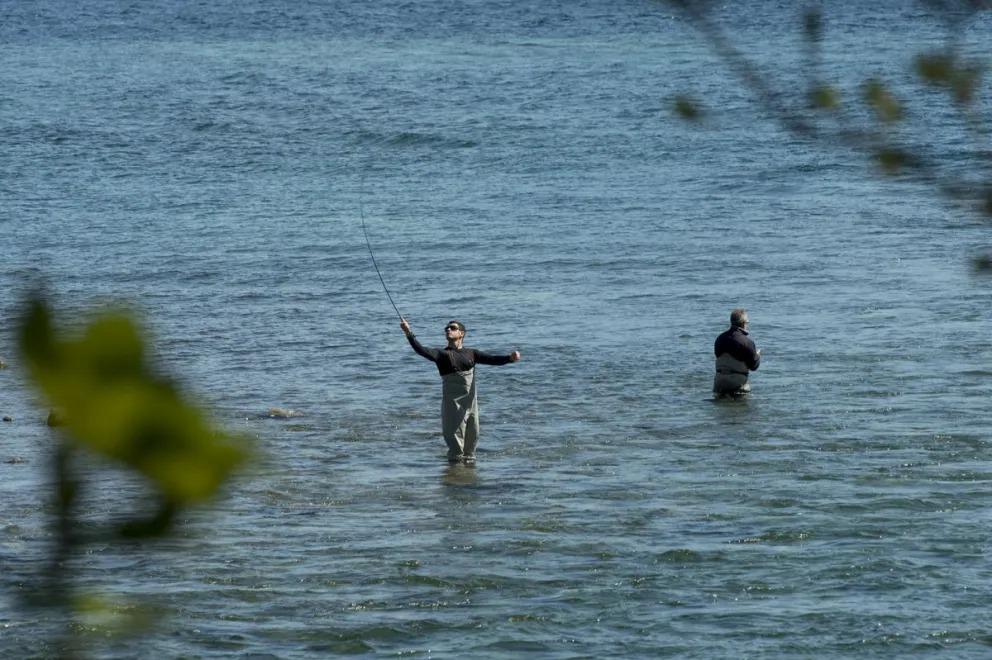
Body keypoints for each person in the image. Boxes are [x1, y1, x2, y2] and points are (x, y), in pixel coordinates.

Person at [400, 318, 521, 464]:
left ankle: (469, 476)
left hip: (471, 404)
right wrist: (408, 332)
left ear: (461, 333)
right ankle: (454, 475)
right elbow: (421, 350)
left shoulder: (472, 354)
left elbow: (492, 359)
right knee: (456, 444)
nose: (448, 330)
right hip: (453, 405)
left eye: (452, 327)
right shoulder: (441, 355)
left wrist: (510, 358)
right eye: (446, 328)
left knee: (471, 442)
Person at [713, 308, 761, 397]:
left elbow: (718, 356)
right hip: (736, 385)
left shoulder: (719, 339)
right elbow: (753, 366)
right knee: (740, 409)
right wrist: (757, 356)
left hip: (719, 383)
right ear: (743, 323)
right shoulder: (746, 342)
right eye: (747, 323)